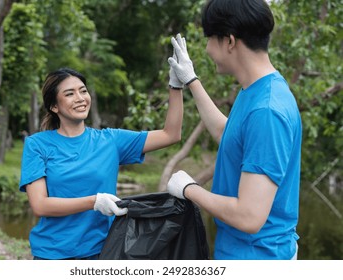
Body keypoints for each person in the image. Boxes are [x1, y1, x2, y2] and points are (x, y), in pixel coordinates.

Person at [166, 0, 302, 260]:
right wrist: (191, 80)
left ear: (229, 41)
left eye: (209, 39)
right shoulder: (258, 89)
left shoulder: (267, 111)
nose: (206, 49)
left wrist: (189, 189)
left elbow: (249, 216)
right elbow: (230, 137)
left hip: (257, 258)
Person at [19, 67, 184, 260]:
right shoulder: (37, 145)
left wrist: (175, 86)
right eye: (70, 94)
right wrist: (94, 202)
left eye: (83, 90)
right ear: (54, 106)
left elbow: (171, 134)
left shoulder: (110, 140)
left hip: (104, 252)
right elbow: (40, 205)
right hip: (53, 254)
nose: (80, 98)